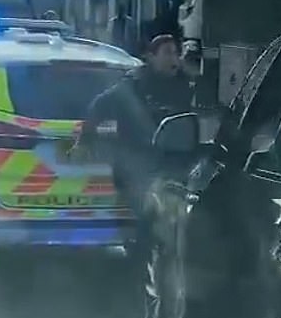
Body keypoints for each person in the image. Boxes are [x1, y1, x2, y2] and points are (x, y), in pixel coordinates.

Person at [70, 34, 194, 218]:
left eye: (176, 53)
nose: (174, 59)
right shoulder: (134, 84)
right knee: (146, 217)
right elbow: (100, 107)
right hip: (138, 165)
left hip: (172, 164)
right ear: (151, 57)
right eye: (167, 53)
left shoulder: (182, 85)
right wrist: (83, 141)